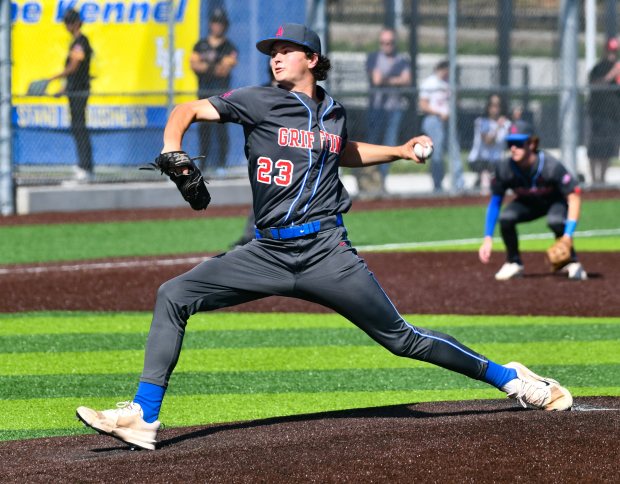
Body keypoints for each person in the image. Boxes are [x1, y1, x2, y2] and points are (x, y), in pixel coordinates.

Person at [76, 23, 573, 451]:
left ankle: (512, 379)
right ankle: (143, 417)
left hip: (325, 253)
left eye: (285, 51)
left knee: (403, 339)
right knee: (174, 295)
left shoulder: (332, 111)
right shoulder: (256, 100)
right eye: (271, 53)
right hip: (267, 251)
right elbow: (185, 110)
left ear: (311, 59)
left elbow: (343, 150)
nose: (275, 59)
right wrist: (171, 148)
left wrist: (399, 150)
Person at [478, 122, 587, 281]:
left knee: (556, 221)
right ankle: (513, 262)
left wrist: (568, 235)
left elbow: (574, 196)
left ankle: (572, 262)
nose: (513, 148)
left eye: (518, 143)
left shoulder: (550, 166)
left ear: (532, 144)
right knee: (506, 218)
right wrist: (487, 238)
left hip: (554, 202)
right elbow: (495, 202)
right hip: (528, 204)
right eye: (510, 143)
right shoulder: (505, 168)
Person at [355, 27, 411, 199]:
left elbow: (407, 80)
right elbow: (376, 80)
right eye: (384, 42)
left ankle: (382, 182)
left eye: (390, 42)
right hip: (377, 109)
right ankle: (369, 182)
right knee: (372, 144)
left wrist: (388, 80)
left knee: (390, 145)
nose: (387, 45)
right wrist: (395, 80)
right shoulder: (374, 58)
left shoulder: (402, 60)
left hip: (394, 109)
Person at [190, 7, 238, 174]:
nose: (217, 26)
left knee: (221, 130)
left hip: (222, 95)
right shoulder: (200, 45)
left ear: (225, 25)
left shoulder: (228, 46)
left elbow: (225, 69)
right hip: (203, 94)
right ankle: (202, 165)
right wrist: (215, 65)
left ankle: (222, 165)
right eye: (215, 23)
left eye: (220, 23)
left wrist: (206, 66)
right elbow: (194, 63)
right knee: (204, 130)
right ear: (210, 24)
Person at [48, 8, 94, 184]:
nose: (66, 25)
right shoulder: (75, 42)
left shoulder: (81, 41)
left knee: (80, 127)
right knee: (76, 127)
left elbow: (74, 67)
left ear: (75, 23)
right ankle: (83, 165)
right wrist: (64, 88)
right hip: (74, 90)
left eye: (68, 22)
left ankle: (86, 167)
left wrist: (55, 77)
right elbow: (74, 73)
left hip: (80, 91)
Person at [419, 60, 464, 193]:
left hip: (448, 122)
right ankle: (437, 185)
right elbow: (423, 104)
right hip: (434, 121)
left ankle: (459, 183)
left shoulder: (449, 83)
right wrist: (439, 112)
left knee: (454, 151)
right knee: (436, 153)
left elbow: (456, 102)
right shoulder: (430, 82)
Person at [587, 36, 620, 186]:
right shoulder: (598, 68)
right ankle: (594, 180)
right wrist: (611, 75)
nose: (612, 54)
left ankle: (602, 180)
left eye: (615, 51)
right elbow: (594, 84)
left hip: (613, 116)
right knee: (595, 149)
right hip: (598, 115)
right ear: (605, 51)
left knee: (607, 149)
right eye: (610, 51)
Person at [467, 94, 511, 195]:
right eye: (492, 105)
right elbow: (488, 141)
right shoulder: (482, 122)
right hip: (480, 160)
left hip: (497, 161)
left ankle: (480, 184)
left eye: (497, 105)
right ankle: (483, 189)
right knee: (486, 174)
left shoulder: (507, 123)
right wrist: (498, 127)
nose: (495, 109)